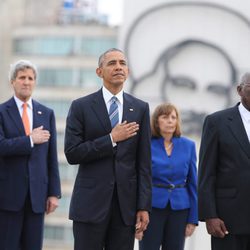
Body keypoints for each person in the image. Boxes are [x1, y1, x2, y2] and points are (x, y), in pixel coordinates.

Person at [64, 48, 152, 250]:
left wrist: (143, 206)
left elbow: (144, 163)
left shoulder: (140, 108)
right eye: (112, 63)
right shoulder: (81, 106)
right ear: (99, 72)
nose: (118, 67)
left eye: (122, 63)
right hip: (90, 205)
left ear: (128, 72)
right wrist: (111, 138)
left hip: (125, 207)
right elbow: (72, 152)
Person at [0, 60, 61, 250]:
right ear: (13, 81)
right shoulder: (1, 112)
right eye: (22, 78)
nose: (26, 82)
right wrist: (30, 140)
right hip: (8, 196)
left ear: (35, 82)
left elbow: (51, 157)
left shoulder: (47, 113)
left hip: (37, 196)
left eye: (30, 78)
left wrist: (54, 193)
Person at [198, 72, 250, 250]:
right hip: (227, 220)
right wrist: (209, 215)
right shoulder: (217, 122)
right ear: (239, 90)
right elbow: (206, 173)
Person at [138, 103, 198, 250]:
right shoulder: (146, 145)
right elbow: (139, 180)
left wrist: (193, 219)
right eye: (165, 117)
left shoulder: (188, 146)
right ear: (156, 121)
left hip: (180, 209)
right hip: (151, 208)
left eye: (173, 117)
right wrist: (137, 212)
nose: (170, 120)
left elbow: (193, 183)